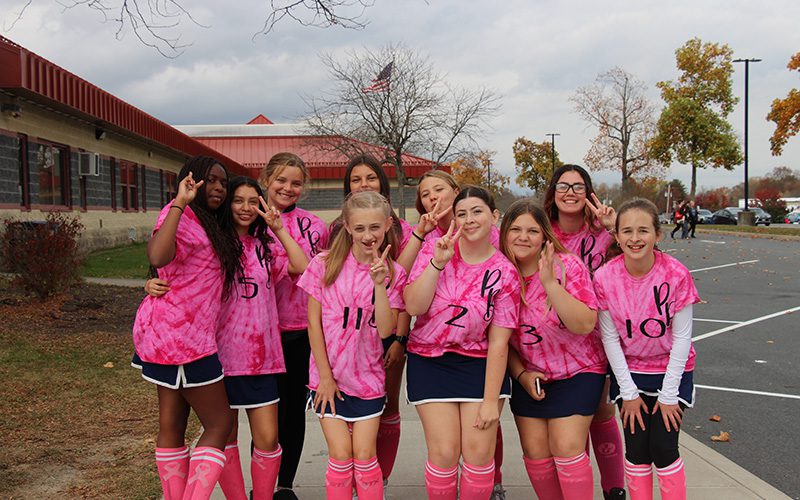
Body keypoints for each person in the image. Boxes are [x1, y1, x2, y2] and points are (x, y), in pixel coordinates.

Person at [144, 176, 311, 499]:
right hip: (221, 357)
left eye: (253, 201)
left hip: (263, 358)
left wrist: (278, 228)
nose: (246, 208)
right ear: (226, 204)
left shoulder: (265, 246)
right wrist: (151, 285)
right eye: (238, 200)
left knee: (268, 438)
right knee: (227, 436)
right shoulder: (213, 244)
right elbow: (175, 273)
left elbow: (301, 265)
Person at [132, 156, 242, 500]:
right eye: (210, 180)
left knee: (173, 423)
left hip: (169, 335)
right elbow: (159, 257)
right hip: (182, 340)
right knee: (220, 424)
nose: (219, 188)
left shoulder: (209, 223)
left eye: (223, 183)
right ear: (190, 180)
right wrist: (180, 202)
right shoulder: (179, 213)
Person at [404, 186, 520, 500]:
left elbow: (499, 342)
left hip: (480, 364)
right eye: (461, 213)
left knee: (478, 453)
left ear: (494, 216)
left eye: (477, 211)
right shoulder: (434, 248)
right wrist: (437, 264)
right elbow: (413, 306)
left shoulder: (505, 272)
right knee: (444, 453)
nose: (469, 219)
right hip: (430, 360)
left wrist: (489, 400)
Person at [297, 191, 407, 500]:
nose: (368, 235)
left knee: (364, 453)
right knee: (341, 455)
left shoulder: (395, 273)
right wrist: (326, 378)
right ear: (347, 226)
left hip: (368, 379)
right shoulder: (324, 264)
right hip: (328, 379)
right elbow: (313, 325)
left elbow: (387, 330)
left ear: (387, 225)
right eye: (359, 228)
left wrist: (380, 286)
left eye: (374, 227)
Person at [595, 199, 699, 500]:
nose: (635, 238)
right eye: (627, 231)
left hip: (671, 370)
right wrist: (627, 393)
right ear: (616, 236)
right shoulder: (604, 277)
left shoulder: (676, 274)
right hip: (631, 372)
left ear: (658, 234)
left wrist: (669, 395)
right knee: (638, 449)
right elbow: (610, 338)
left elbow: (682, 338)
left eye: (643, 230)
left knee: (664, 448)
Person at [501, 200, 605, 500]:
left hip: (578, 371)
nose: (523, 237)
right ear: (505, 233)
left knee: (566, 445)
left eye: (532, 231)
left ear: (545, 236)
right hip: (530, 376)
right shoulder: (501, 274)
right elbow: (499, 341)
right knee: (535, 452)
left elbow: (585, 323)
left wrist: (549, 284)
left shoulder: (567, 265)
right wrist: (520, 375)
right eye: (516, 229)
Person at [542, 165, 626, 499]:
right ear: (553, 192)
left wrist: (613, 226)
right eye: (564, 186)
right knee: (570, 424)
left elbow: (639, 256)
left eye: (579, 186)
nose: (571, 192)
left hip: (597, 333)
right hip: (552, 340)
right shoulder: (543, 231)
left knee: (600, 411)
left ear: (589, 192)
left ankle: (613, 488)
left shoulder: (603, 233)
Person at [331, 153, 411, 489]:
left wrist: (398, 341)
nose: (363, 184)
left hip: (386, 332)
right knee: (347, 429)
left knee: (386, 407)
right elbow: (328, 292)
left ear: (383, 182)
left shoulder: (401, 231)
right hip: (343, 344)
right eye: (355, 179)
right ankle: (358, 479)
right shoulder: (337, 233)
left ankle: (381, 477)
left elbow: (403, 291)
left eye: (370, 178)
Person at [259, 153, 329, 499]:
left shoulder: (316, 226)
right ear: (267, 180)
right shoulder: (248, 219)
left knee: (293, 413)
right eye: (281, 180)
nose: (288, 188)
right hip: (260, 332)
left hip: (301, 330)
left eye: (296, 182)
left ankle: (285, 485)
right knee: (264, 416)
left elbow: (328, 274)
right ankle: (263, 485)